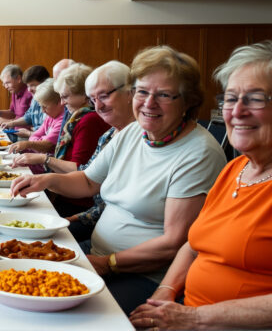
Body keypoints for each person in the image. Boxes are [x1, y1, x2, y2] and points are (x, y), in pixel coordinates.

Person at [11, 46, 227, 315]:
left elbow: (174, 242)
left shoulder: (198, 153)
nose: (149, 103)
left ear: (187, 100)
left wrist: (106, 263)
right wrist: (46, 181)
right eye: (142, 91)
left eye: (164, 95)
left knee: (58, 312)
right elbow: (89, 182)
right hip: (97, 253)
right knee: (18, 273)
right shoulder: (135, 131)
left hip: (145, 276)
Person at [130, 41, 272, 330]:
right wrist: (164, 294)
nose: (237, 111)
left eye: (255, 99)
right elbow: (193, 246)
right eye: (231, 99)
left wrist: (195, 318)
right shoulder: (236, 168)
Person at [12, 61, 135, 240]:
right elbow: (89, 179)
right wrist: (44, 179)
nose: (98, 105)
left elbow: (84, 174)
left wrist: (44, 162)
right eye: (94, 99)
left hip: (82, 207)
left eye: (104, 96)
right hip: (89, 213)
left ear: (130, 93)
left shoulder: (90, 121)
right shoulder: (109, 133)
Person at [22, 63, 111, 216]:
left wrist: (44, 159)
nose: (62, 103)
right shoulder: (76, 117)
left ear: (85, 95)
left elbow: (80, 169)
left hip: (77, 202)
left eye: (65, 97)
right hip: (66, 195)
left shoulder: (89, 120)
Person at [7, 79, 65, 171]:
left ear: (59, 102)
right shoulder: (51, 116)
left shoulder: (62, 119)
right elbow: (34, 135)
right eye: (41, 106)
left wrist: (29, 143)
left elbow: (46, 145)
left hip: (52, 168)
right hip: (42, 161)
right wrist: (38, 141)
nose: (42, 111)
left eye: (45, 107)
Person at [0, 65, 51, 137]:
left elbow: (48, 134)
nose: (29, 90)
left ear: (44, 83)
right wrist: (12, 123)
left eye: (32, 85)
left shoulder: (51, 101)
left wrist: (29, 133)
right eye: (28, 86)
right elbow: (28, 116)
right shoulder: (35, 97)